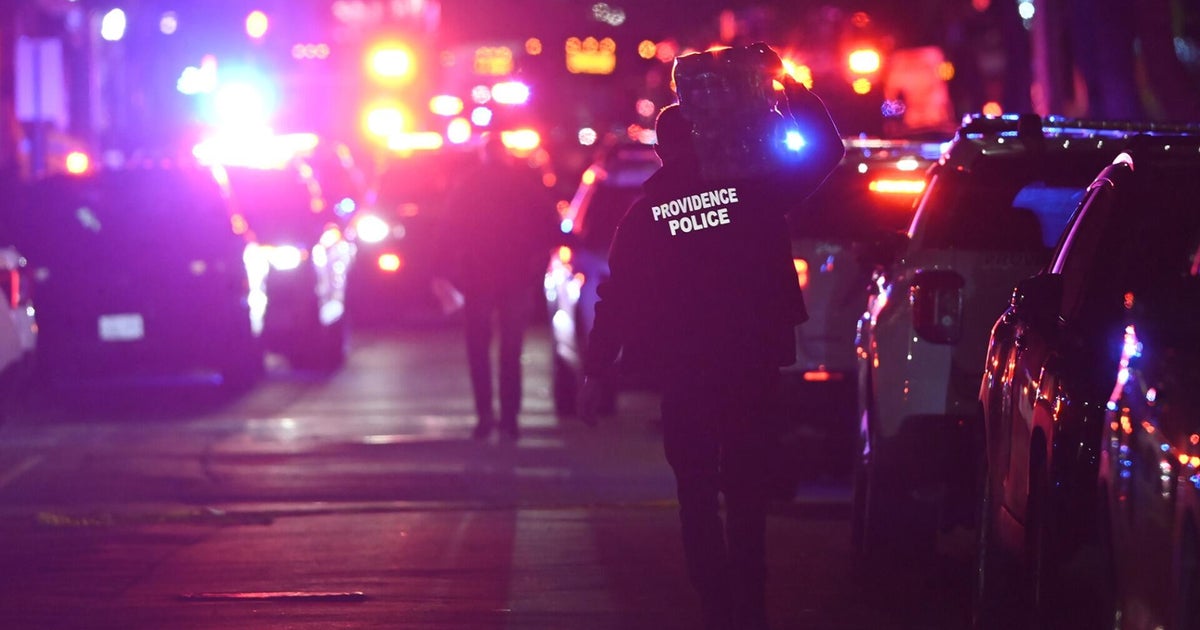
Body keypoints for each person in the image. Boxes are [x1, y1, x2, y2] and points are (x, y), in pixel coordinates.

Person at [578, 73, 844, 630]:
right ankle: (750, 606)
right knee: (747, 492)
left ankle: (716, 603)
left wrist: (597, 370)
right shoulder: (754, 194)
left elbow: (617, 295)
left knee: (695, 492)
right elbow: (826, 150)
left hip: (686, 371)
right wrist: (788, 85)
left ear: (661, 151)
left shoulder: (648, 215)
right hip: (749, 361)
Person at [437, 134, 561, 441]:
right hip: (515, 275)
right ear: (505, 155)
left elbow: (448, 228)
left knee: (478, 349)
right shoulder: (522, 184)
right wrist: (537, 258)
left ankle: (485, 417)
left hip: (478, 277)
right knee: (511, 349)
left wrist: (443, 268)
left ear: (483, 155)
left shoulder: (468, 185)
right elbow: (549, 222)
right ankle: (509, 419)